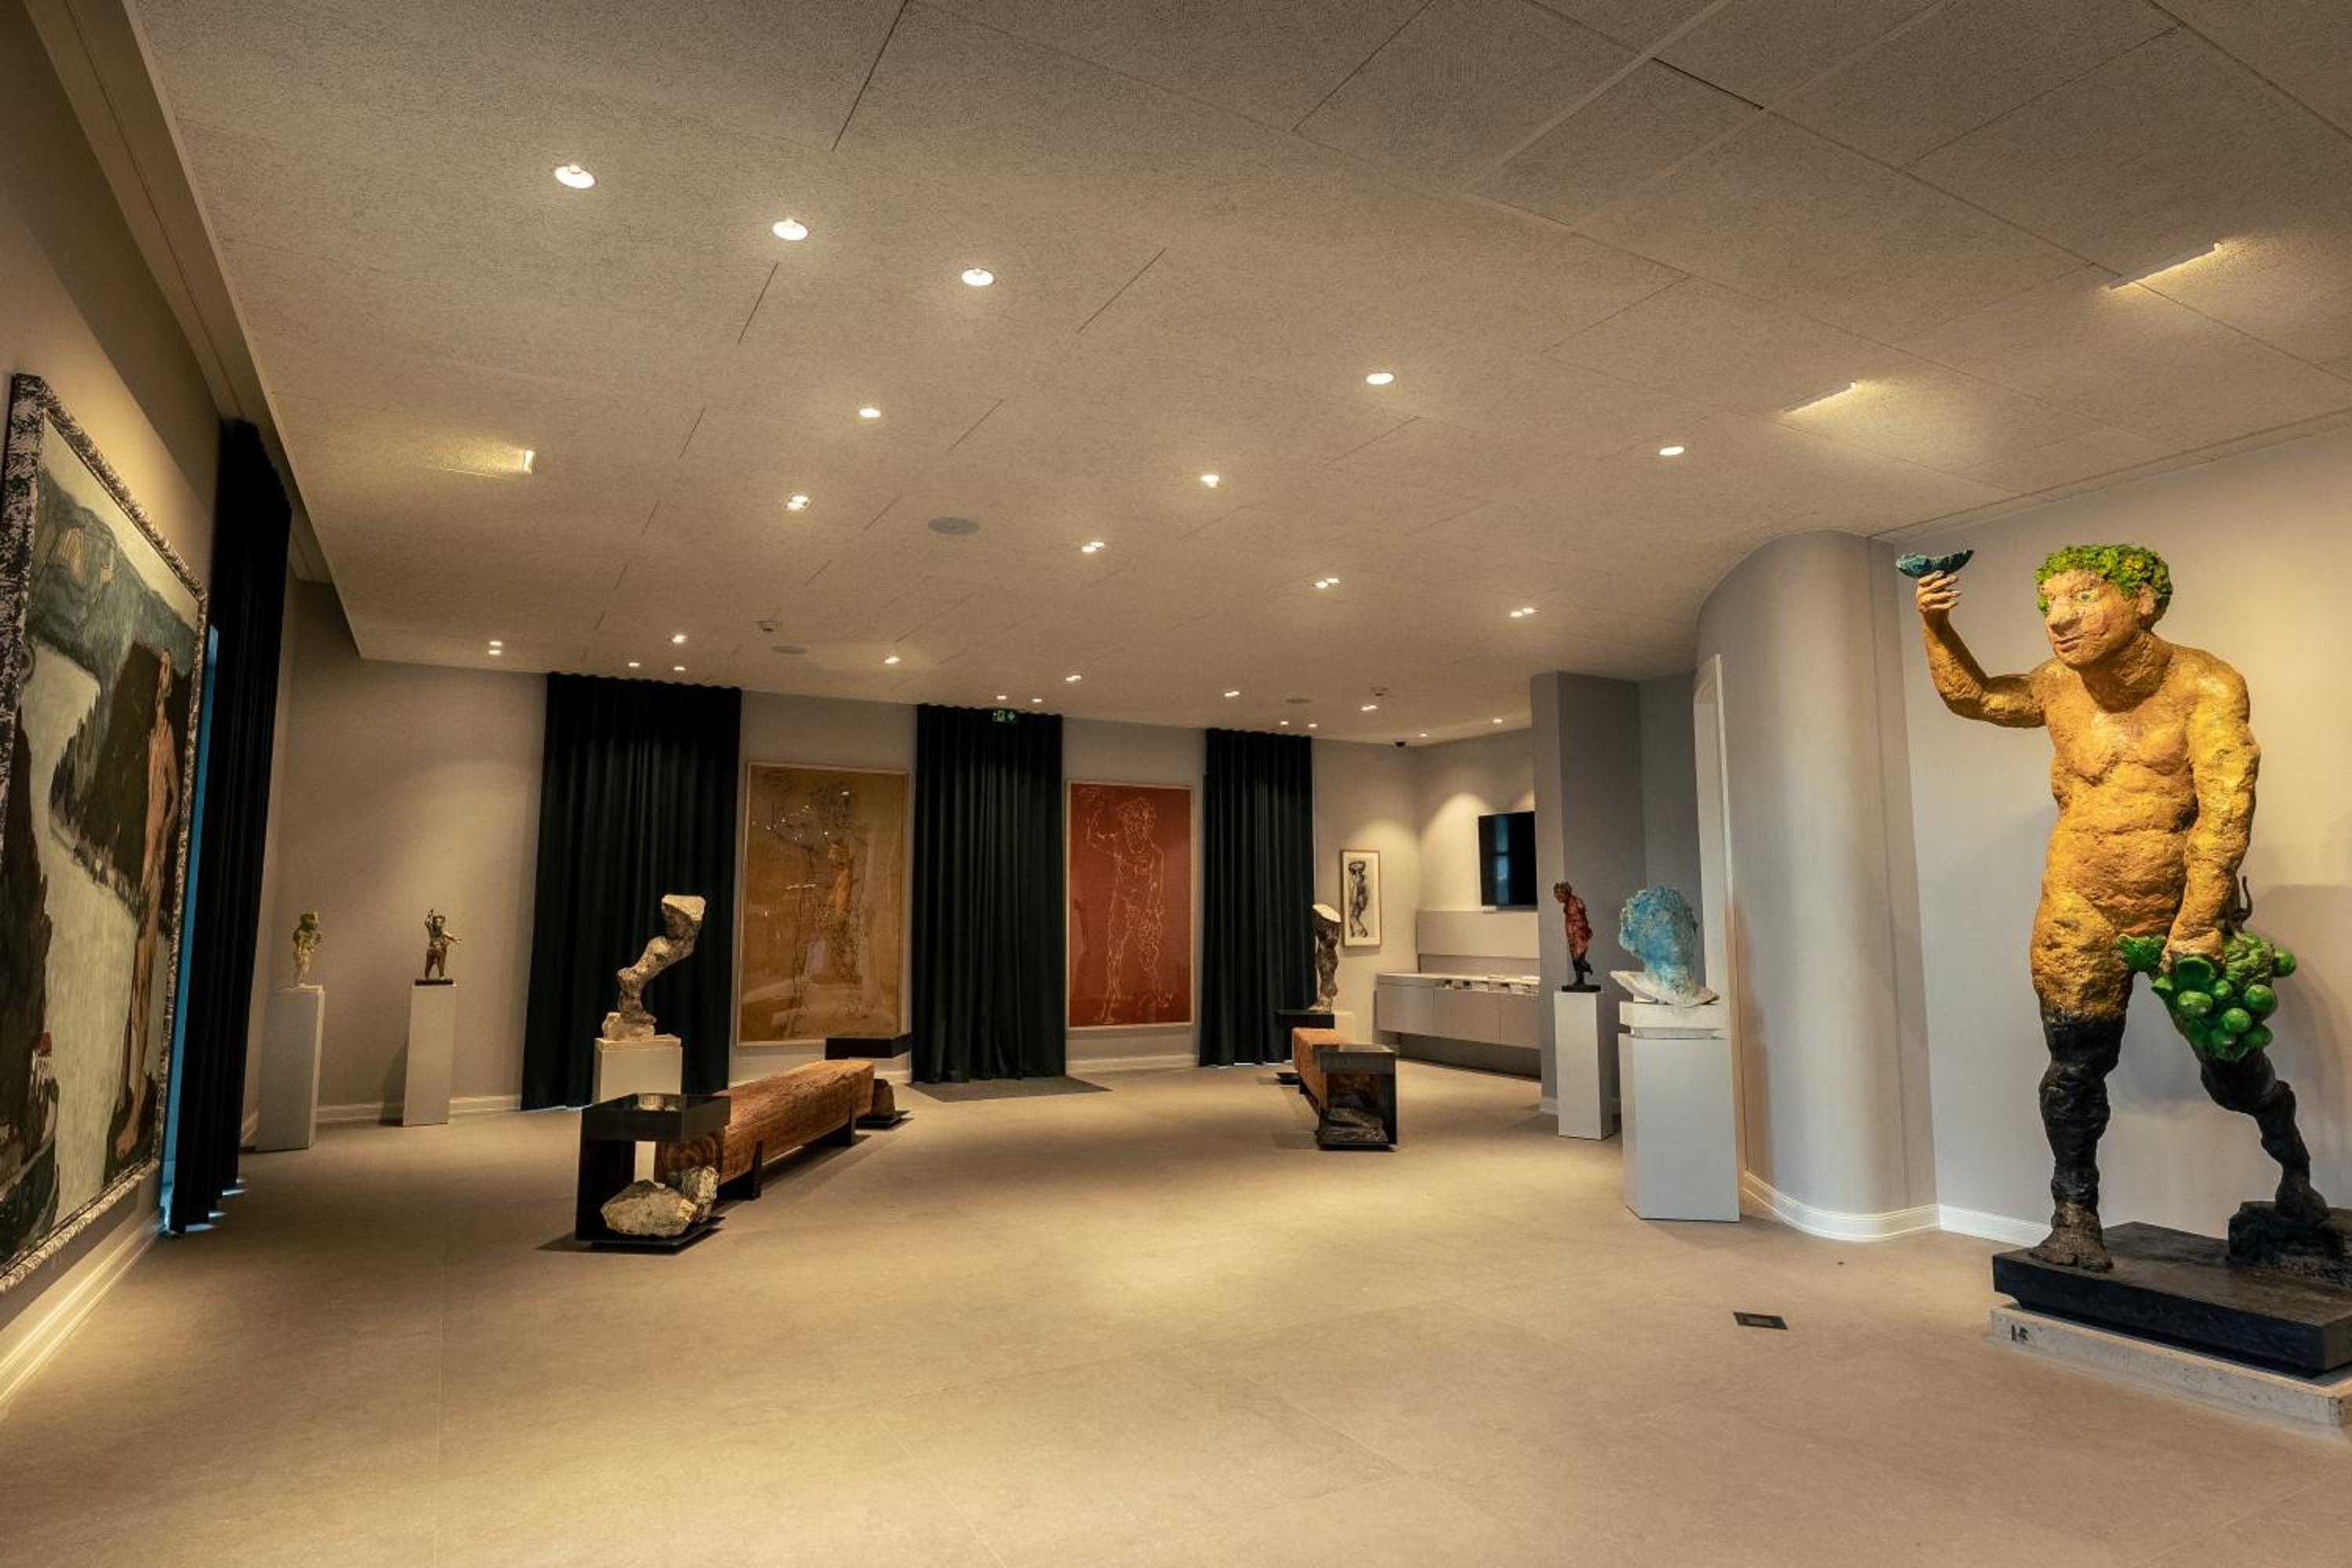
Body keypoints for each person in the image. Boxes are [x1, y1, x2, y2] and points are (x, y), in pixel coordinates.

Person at [1915, 544, 2325, 1271]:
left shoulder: (2205, 684)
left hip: (2180, 906)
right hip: (2079, 904)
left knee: (2231, 1073)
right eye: (2049, 604)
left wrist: (2198, 920)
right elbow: (1975, 697)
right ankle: (2074, 1215)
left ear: (2143, 601)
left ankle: (2292, 1165)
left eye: (2083, 597)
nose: (2059, 619)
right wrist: (1936, 627)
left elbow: (2227, 807)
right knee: (2073, 1066)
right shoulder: (2057, 686)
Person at [114, 651, 179, 1163]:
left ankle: (136, 1112)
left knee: (142, 980)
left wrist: (162, 844)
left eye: (166, 671)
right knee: (129, 986)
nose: (161, 677)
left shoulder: (168, 736)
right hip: (139, 864)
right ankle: (125, 1096)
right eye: (159, 669)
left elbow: (173, 796)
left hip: (151, 867)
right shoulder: (149, 733)